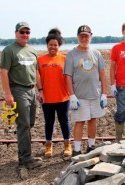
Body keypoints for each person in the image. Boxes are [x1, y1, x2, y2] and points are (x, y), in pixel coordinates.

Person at [0, 21, 44, 176]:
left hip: (32, 90)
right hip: (18, 90)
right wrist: (7, 94)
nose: (25, 35)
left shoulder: (32, 51)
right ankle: (25, 159)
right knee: (24, 124)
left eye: (27, 32)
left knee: (29, 123)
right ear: (16, 33)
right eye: (22, 32)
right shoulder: (9, 50)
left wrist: (40, 90)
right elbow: (4, 72)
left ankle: (24, 153)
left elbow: (37, 72)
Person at [64, 25, 107, 156]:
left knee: (93, 120)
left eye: (86, 36)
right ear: (78, 37)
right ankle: (76, 150)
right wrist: (71, 95)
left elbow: (102, 75)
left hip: (95, 95)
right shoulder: (71, 54)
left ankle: (91, 146)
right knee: (80, 122)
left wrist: (104, 93)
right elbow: (67, 76)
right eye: (82, 36)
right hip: (79, 96)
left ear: (91, 37)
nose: (84, 38)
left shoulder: (96, 53)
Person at [38, 29, 71, 158]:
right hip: (47, 98)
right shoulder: (40, 60)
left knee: (64, 121)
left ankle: (67, 144)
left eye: (55, 45)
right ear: (47, 45)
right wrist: (40, 91)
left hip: (63, 97)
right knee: (49, 122)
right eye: (50, 44)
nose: (53, 47)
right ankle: (48, 145)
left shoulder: (64, 58)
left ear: (59, 46)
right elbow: (37, 78)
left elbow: (70, 77)